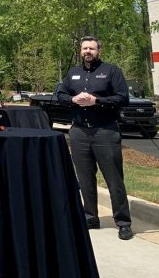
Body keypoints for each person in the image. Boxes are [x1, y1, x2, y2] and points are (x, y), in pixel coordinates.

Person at [58, 36, 134, 241]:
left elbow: (122, 98)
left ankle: (123, 223)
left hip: (105, 131)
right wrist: (73, 99)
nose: (88, 51)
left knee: (114, 179)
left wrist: (97, 101)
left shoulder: (111, 71)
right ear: (80, 51)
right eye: (85, 48)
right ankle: (90, 217)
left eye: (91, 48)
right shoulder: (73, 73)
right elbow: (60, 95)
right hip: (79, 132)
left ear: (98, 50)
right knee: (85, 179)